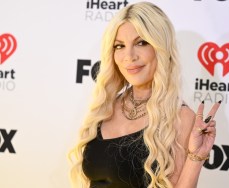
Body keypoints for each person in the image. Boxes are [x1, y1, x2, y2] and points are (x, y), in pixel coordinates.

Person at [69, 1, 221, 188]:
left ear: (160, 48)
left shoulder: (181, 118)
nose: (129, 56)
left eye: (141, 43)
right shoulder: (105, 107)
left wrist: (196, 159)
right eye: (119, 46)